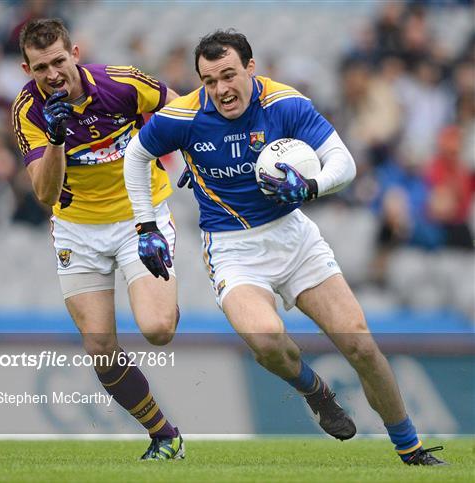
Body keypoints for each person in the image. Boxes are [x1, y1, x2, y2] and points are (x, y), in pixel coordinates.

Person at [124, 30, 446, 466]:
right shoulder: (183, 116)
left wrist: (310, 186)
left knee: (360, 346)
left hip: (294, 238)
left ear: (251, 69)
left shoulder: (284, 103)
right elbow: (136, 154)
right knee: (266, 338)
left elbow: (343, 162)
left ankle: (411, 449)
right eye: (209, 80)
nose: (220, 89)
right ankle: (315, 391)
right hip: (232, 248)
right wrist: (146, 225)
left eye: (228, 75)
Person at [12, 18, 184, 460]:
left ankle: (162, 293)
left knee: (158, 329)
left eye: (58, 61)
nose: (51, 75)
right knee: (100, 346)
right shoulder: (27, 111)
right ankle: (164, 435)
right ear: (26, 69)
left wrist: (196, 168)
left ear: (75, 54)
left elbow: (185, 109)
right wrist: (55, 138)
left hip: (138, 218)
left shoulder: (121, 84)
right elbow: (45, 194)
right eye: (39, 68)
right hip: (78, 231)